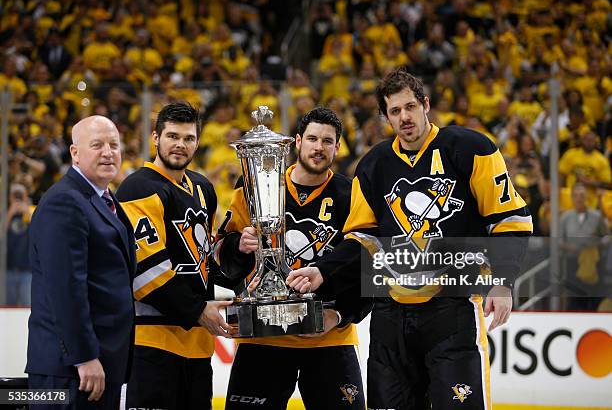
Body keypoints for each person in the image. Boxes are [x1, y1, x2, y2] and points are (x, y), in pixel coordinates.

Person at [288, 66, 533, 409]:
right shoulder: (373, 165)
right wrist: (324, 271)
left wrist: (502, 282)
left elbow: (508, 218)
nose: (404, 117)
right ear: (386, 117)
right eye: (394, 111)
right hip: (390, 317)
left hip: (454, 308)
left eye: (409, 107)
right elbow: (362, 239)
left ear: (425, 104)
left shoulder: (471, 148)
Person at [216, 107, 370, 409]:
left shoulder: (350, 195)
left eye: (328, 141)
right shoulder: (253, 185)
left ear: (338, 148)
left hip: (328, 338)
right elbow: (222, 261)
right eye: (312, 138)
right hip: (263, 338)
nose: (319, 147)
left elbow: (366, 263)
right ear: (297, 142)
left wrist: (340, 315)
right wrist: (239, 245)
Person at [116, 102, 239, 410]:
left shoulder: (203, 187)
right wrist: (198, 309)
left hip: (198, 346)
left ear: (197, 142)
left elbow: (206, 261)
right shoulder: (139, 187)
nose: (180, 145)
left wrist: (240, 250)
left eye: (188, 138)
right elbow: (145, 272)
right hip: (153, 343)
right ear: (155, 138)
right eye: (172, 136)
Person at [26, 116, 136, 410]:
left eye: (114, 145)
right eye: (97, 145)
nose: (108, 152)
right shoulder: (64, 202)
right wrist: (84, 356)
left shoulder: (104, 200)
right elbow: (65, 289)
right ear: (75, 153)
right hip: (71, 372)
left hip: (99, 367)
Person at [560, 182, 609, 311]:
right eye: (576, 196)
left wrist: (596, 245)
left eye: (582, 195)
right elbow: (559, 240)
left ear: (586, 197)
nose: (579, 198)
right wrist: (571, 248)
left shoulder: (596, 216)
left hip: (593, 263)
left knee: (593, 296)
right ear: (572, 198)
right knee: (575, 297)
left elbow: (607, 237)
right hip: (572, 263)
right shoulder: (565, 217)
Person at [5, 183, 34, 306]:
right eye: (15, 195)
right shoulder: (4, 213)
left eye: (20, 195)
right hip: (7, 269)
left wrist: (27, 211)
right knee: (7, 306)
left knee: (27, 307)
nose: (17, 198)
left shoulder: (32, 211)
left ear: (26, 196)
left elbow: (41, 232)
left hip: (27, 269)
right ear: (9, 197)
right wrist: (9, 214)